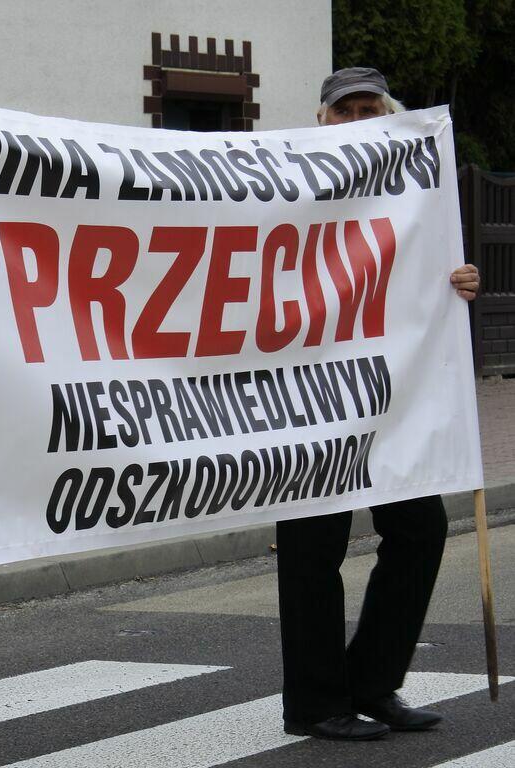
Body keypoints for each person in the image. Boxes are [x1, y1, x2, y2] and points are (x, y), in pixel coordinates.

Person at [276, 66, 481, 742]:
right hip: (304, 398)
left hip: (390, 396)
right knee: (313, 548)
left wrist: (458, 281)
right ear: (322, 119)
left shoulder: (417, 189)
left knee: (421, 530)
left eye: (371, 109)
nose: (359, 121)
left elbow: (425, 275)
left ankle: (372, 682)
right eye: (346, 110)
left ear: (391, 116)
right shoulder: (279, 180)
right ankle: (314, 703)